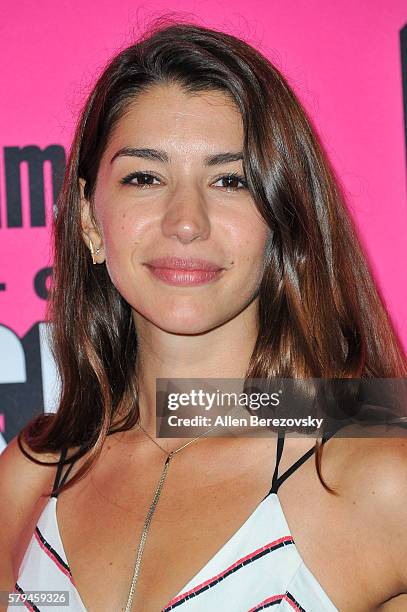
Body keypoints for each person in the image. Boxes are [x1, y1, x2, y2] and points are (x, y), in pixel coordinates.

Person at [1, 16, 407, 612]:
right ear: (89, 220)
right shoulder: (31, 473)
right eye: (145, 177)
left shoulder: (377, 482)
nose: (185, 221)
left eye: (229, 180)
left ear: (282, 220)